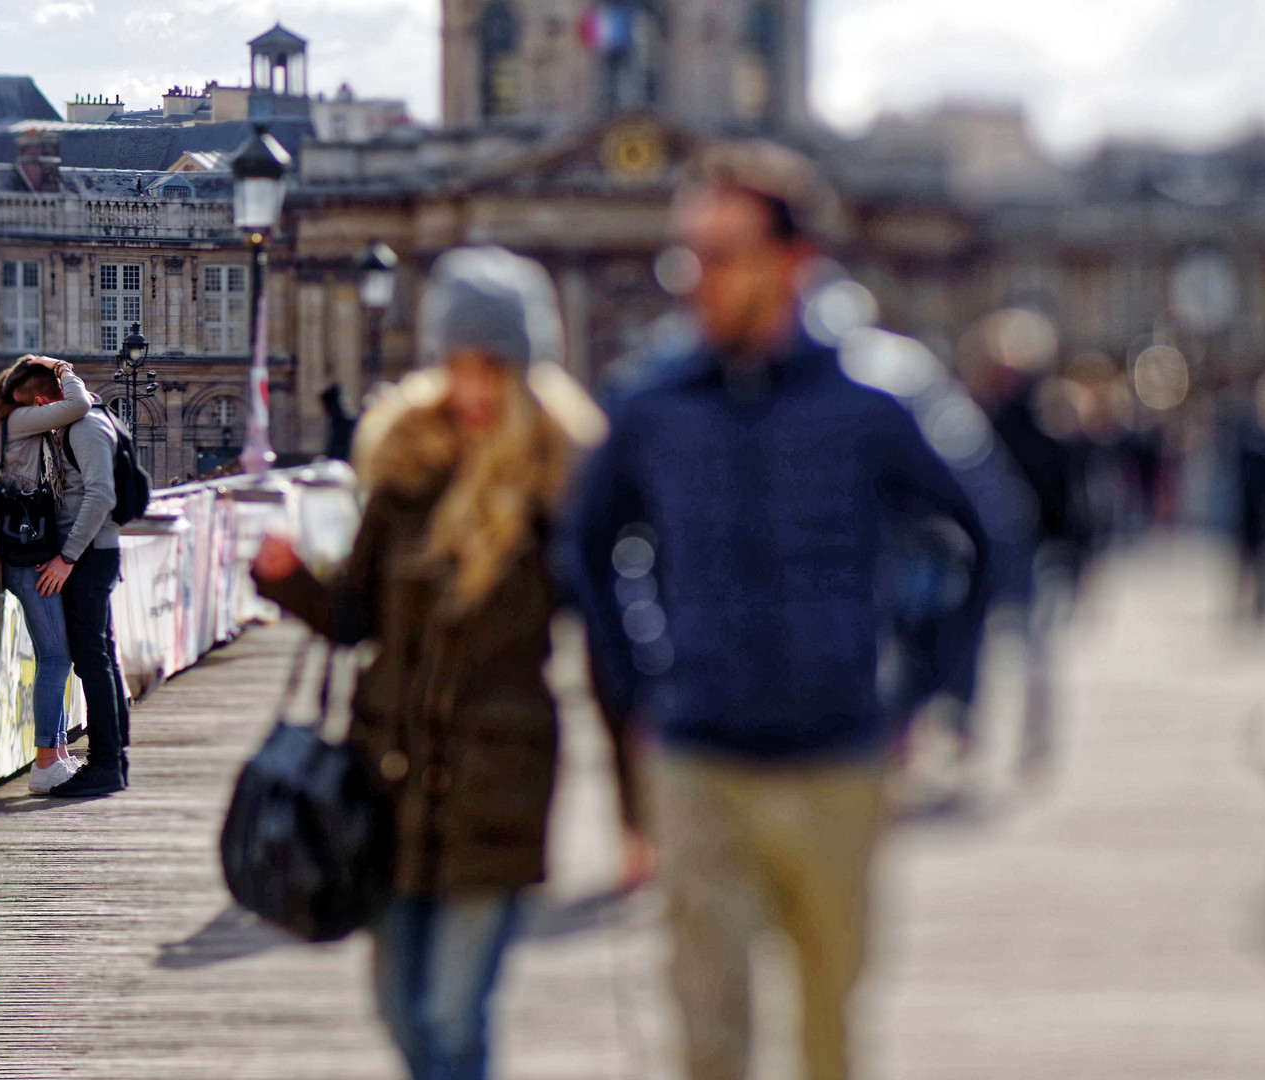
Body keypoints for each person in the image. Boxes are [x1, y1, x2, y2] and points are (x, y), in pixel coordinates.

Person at [559, 142, 991, 1080]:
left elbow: (987, 533)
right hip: (699, 756)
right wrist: (640, 679)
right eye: (688, 253)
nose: (694, 277)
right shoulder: (653, 401)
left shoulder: (879, 392)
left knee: (830, 1035)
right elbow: (586, 545)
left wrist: (920, 692)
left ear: (796, 259)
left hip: (840, 756)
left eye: (721, 252)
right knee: (707, 1038)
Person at [252, 247, 643, 1080]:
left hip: (498, 780)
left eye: (491, 369)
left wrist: (634, 809)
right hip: (386, 777)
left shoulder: (562, 490)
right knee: (399, 1012)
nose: (472, 388)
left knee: (453, 1018)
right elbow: (356, 618)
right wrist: (288, 584)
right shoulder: (403, 475)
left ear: (525, 371)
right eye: (458, 365)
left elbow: (612, 655)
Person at [0, 357, 90, 794]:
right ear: (37, 398)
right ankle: (46, 761)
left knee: (56, 654)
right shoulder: (21, 420)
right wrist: (63, 368)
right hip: (32, 559)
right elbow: (80, 405)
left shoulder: (3, 422)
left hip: (20, 554)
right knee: (55, 657)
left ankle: (59, 751)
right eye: (50, 398)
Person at [35, 383, 131, 797]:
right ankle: (114, 757)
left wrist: (68, 557)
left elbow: (101, 495)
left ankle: (106, 764)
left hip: (89, 555)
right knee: (100, 655)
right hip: (95, 552)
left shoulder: (84, 427)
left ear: (46, 401)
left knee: (92, 659)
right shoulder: (92, 420)